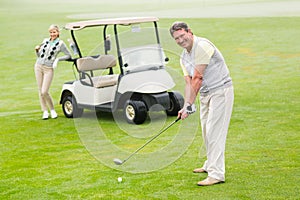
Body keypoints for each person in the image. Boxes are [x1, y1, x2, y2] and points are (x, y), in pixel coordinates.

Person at [169, 22, 234, 186]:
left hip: (221, 91)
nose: (181, 40)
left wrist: (190, 104)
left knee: (214, 131)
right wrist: (185, 106)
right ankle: (209, 164)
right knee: (206, 130)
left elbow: (198, 78)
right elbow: (188, 82)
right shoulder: (184, 57)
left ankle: (217, 173)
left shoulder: (203, 46)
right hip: (205, 94)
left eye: (182, 35)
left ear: (190, 32)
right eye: (177, 38)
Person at [34, 24, 71, 120]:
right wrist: (37, 50)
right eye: (50, 32)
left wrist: (57, 60)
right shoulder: (45, 41)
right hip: (38, 66)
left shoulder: (61, 44)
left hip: (48, 68)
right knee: (40, 91)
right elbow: (39, 56)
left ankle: (52, 109)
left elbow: (68, 55)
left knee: (44, 91)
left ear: (58, 32)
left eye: (54, 32)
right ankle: (45, 111)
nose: (52, 34)